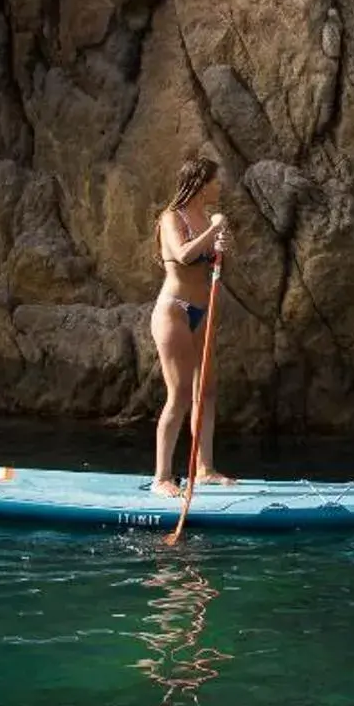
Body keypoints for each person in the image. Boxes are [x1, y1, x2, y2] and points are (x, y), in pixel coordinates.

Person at [152, 157, 236, 495]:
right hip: (174, 310)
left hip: (203, 311)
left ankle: (204, 469)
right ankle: (162, 478)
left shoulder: (206, 217)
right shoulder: (172, 217)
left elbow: (208, 262)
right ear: (202, 183)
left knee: (207, 391)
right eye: (216, 181)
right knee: (180, 394)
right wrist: (214, 230)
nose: (220, 186)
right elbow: (184, 255)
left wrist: (220, 250)